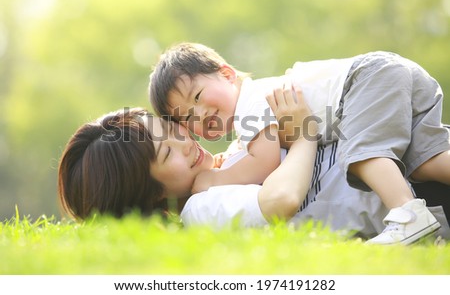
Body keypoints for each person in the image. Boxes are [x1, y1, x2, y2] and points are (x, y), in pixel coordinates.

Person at [58, 88, 450, 244]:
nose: (186, 142)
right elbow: (282, 198)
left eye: (172, 130)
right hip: (417, 197)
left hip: (408, 162)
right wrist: (305, 134)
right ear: (151, 195)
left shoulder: (223, 166)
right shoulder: (200, 209)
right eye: (167, 154)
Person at [148, 42, 450, 245]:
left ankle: (407, 212)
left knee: (362, 155)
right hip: (385, 74)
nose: (200, 114)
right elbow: (254, 153)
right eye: (187, 118)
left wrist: (214, 178)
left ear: (226, 74)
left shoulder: (252, 105)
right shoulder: (250, 121)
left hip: (364, 81)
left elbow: (264, 163)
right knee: (427, 160)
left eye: (198, 98)